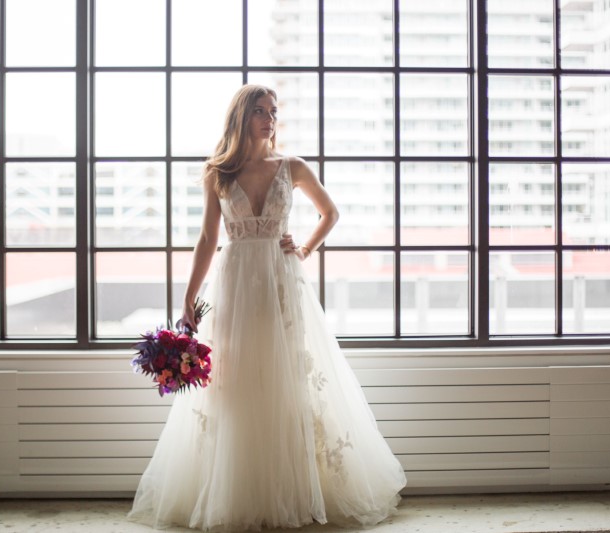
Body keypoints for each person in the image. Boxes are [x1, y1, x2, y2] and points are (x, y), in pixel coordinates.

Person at [128, 84, 406, 531]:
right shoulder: (218, 172)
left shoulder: (290, 166)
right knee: (235, 382)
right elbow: (206, 240)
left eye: (274, 111)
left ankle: (292, 488)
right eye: (260, 110)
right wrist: (187, 297)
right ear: (241, 116)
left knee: (288, 378)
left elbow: (330, 213)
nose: (269, 118)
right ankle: (238, 488)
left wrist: (305, 249)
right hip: (235, 283)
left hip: (281, 282)